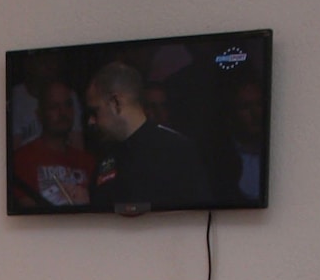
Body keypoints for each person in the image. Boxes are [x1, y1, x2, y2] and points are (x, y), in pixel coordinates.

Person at [85, 60, 209, 212]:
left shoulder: (177, 150)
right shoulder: (107, 158)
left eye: (95, 111)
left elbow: (198, 214)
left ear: (116, 102)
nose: (91, 121)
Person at [11, 80, 95, 209]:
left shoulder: (88, 162)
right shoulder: (22, 159)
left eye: (68, 105)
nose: (62, 112)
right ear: (39, 114)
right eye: (54, 107)